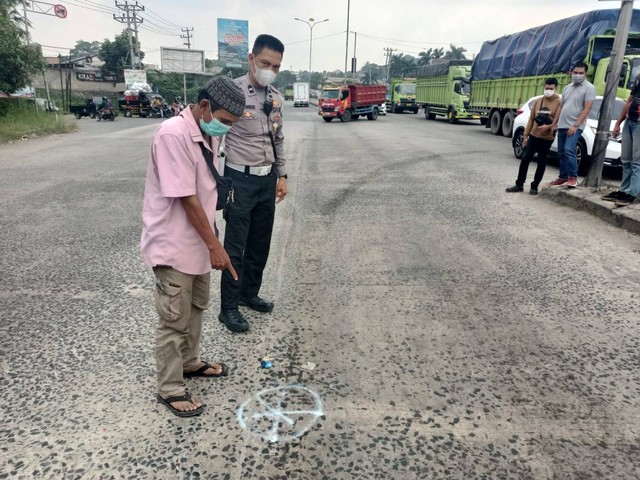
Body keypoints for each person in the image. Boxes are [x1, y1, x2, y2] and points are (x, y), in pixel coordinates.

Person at [140, 76, 246, 417]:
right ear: (204, 107)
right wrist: (217, 247)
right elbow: (186, 197)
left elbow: (206, 190)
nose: (225, 129)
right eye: (224, 121)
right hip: (174, 244)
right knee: (174, 319)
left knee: (196, 308)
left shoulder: (205, 134)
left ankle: (189, 362)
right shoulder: (173, 133)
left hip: (199, 242)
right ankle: (169, 388)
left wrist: (211, 243)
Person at [218, 34, 287, 333]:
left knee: (260, 243)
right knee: (235, 247)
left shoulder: (275, 97)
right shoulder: (231, 92)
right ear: (250, 59)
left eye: (275, 66)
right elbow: (213, 135)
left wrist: (282, 175)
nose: (269, 70)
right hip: (238, 181)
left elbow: (278, 139)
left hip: (266, 180)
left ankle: (249, 294)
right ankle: (229, 308)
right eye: (264, 63)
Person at [506, 78, 562, 195]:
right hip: (533, 135)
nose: (548, 91)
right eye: (546, 88)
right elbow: (531, 119)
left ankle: (535, 186)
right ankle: (519, 184)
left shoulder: (559, 102)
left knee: (541, 162)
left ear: (556, 88)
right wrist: (525, 136)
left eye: (551, 89)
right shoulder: (538, 101)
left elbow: (559, 122)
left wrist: (548, 127)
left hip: (547, 138)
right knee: (525, 159)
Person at [548, 62, 596, 188]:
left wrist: (575, 125)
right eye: (575, 72)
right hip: (562, 125)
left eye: (581, 73)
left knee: (569, 149)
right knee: (561, 152)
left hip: (575, 126)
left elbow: (587, 108)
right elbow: (561, 107)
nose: (577, 75)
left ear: (586, 74)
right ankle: (563, 177)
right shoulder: (567, 88)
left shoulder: (589, 88)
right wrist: (554, 124)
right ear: (571, 72)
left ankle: (573, 177)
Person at [603, 74, 640, 207]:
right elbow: (629, 101)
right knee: (626, 160)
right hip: (630, 122)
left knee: (637, 162)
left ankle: (633, 194)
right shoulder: (639, 78)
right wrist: (618, 123)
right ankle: (623, 191)